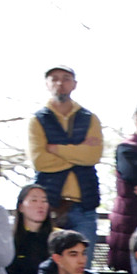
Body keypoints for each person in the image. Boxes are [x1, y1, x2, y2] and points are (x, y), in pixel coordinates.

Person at [28, 66, 103, 242]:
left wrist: (56, 149)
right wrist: (78, 153)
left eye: (66, 78)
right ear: (47, 84)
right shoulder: (37, 120)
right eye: (54, 79)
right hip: (49, 205)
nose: (60, 83)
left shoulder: (90, 118)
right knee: (48, 258)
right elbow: (39, 161)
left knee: (83, 258)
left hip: (84, 205)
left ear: (74, 84)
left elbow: (92, 156)